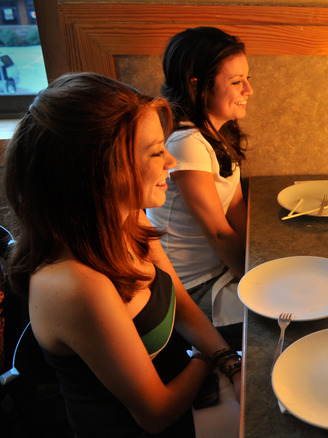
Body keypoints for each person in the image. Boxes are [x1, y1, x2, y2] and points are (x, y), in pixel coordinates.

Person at [2, 72, 240, 438]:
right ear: (100, 170)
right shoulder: (76, 285)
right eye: (156, 152)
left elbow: (181, 302)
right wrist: (207, 361)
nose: (171, 163)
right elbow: (155, 413)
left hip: (188, 386)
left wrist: (229, 361)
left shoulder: (128, 221)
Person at [147, 27, 252, 347]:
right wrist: (257, 284)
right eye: (236, 82)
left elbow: (234, 207)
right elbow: (218, 232)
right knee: (284, 316)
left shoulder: (217, 131)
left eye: (247, 78)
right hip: (192, 289)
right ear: (197, 84)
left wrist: (264, 258)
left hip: (220, 271)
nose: (249, 89)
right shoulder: (186, 143)